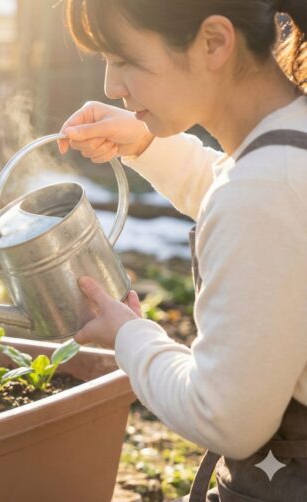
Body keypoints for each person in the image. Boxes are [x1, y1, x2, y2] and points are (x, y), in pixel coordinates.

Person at [55, 1, 307, 500]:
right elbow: (251, 198)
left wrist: (130, 338)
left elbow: (226, 418)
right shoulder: (287, 143)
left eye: (124, 58)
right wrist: (147, 144)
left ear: (214, 42)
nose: (111, 86)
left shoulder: (263, 191)